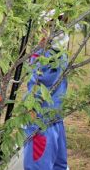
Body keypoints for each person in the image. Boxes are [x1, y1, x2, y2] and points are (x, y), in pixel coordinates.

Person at [23, 11, 69, 170]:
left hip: (41, 120)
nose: (56, 29)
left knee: (39, 165)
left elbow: (40, 82)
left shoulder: (49, 55)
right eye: (50, 25)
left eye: (58, 25)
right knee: (58, 164)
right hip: (55, 117)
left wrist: (29, 108)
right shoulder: (60, 52)